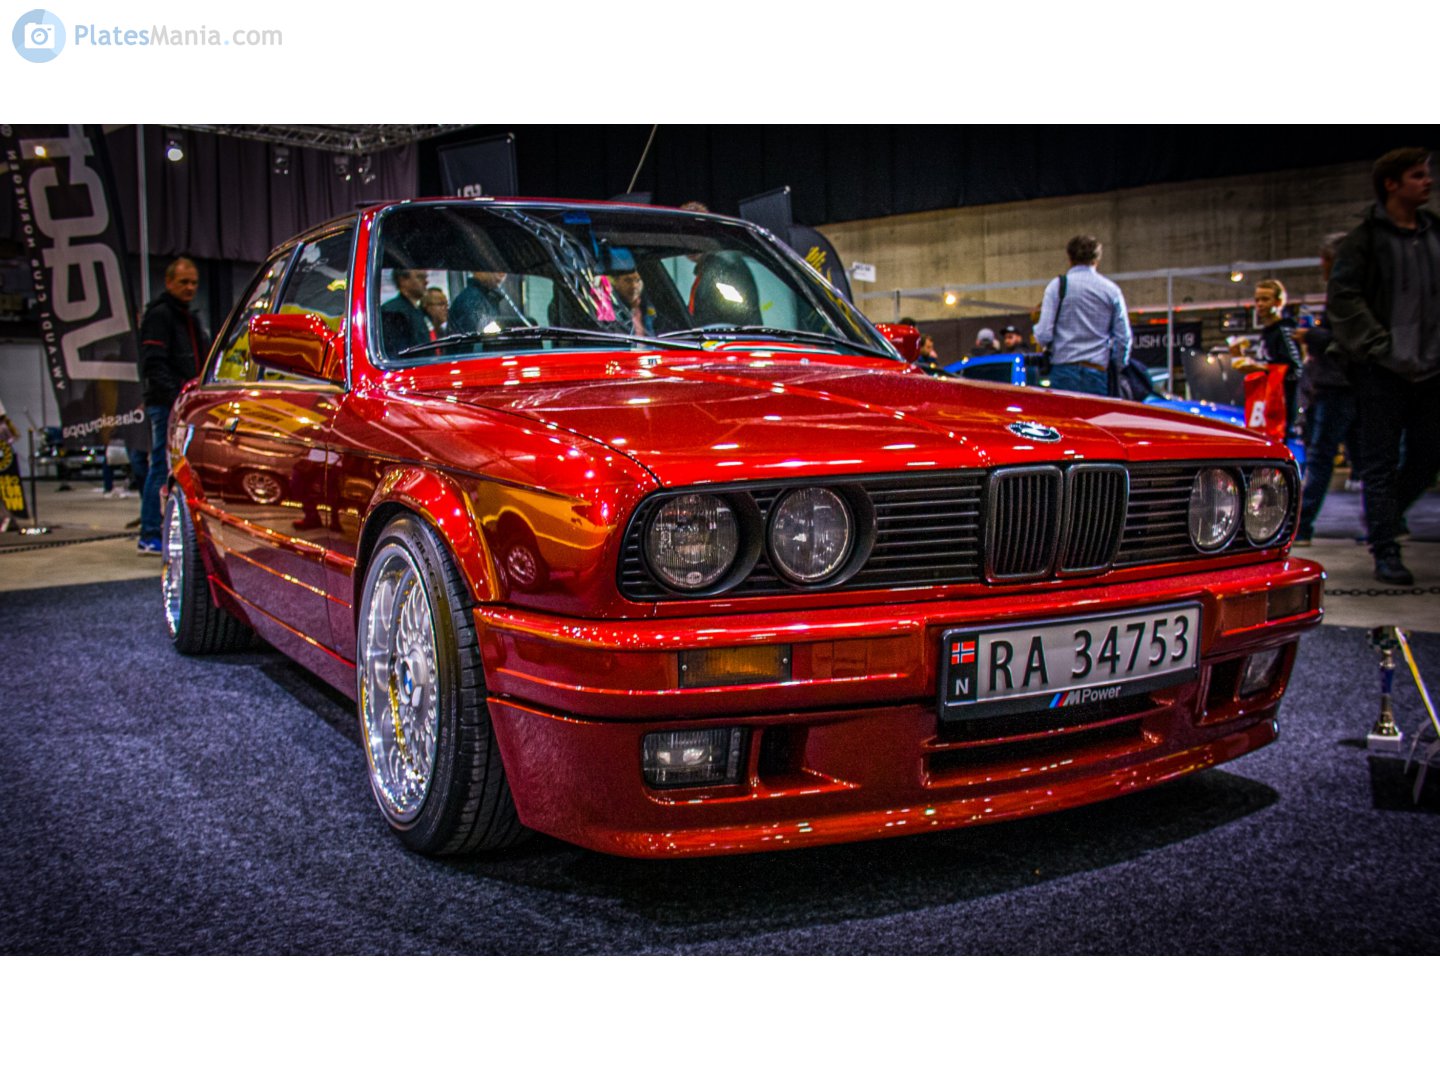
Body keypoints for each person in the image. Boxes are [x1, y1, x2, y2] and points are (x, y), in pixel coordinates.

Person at [1327, 146, 1440, 585]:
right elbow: (1344, 297)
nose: (1426, 182)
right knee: (1378, 461)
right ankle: (1385, 549)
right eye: (1417, 175)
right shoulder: (1364, 242)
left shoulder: (1435, 235)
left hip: (1432, 369)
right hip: (1382, 370)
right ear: (1391, 184)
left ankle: (1387, 518)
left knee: (1429, 454)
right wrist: (1377, 345)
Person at [137, 257, 208, 556]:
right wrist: (175, 398)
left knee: (181, 468)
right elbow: (153, 363)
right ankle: (150, 532)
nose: (190, 287)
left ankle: (169, 530)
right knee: (161, 467)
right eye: (184, 282)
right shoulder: (161, 316)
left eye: (193, 282)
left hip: (186, 403)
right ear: (168, 282)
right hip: (167, 404)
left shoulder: (189, 319)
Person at [1294, 235, 1358, 544]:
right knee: (1371, 464)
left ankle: (1303, 525)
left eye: (1325, 261)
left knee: (1321, 458)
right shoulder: (1353, 294)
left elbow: (1341, 341)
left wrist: (1312, 336)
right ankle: (1389, 525)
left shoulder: (1347, 295)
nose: (1322, 267)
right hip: (1348, 385)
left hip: (1336, 387)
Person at [1033, 235, 1132, 396]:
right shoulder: (1111, 290)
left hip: (1063, 372)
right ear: (1096, 260)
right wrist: (1116, 366)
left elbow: (1044, 334)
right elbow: (1124, 338)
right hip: (1097, 373)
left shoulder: (1057, 287)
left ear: (1069, 258)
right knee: (1094, 420)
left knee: (1064, 420)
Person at [449, 268, 522, 334]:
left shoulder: (487, 297)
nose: (502, 274)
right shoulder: (471, 299)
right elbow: (480, 339)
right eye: (495, 267)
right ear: (478, 270)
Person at [604, 248, 656, 335]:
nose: (634, 286)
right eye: (627, 280)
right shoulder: (607, 313)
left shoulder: (651, 311)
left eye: (637, 280)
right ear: (614, 283)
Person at [379, 269, 431, 352]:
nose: (426, 282)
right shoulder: (393, 312)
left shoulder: (418, 310)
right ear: (403, 281)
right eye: (420, 277)